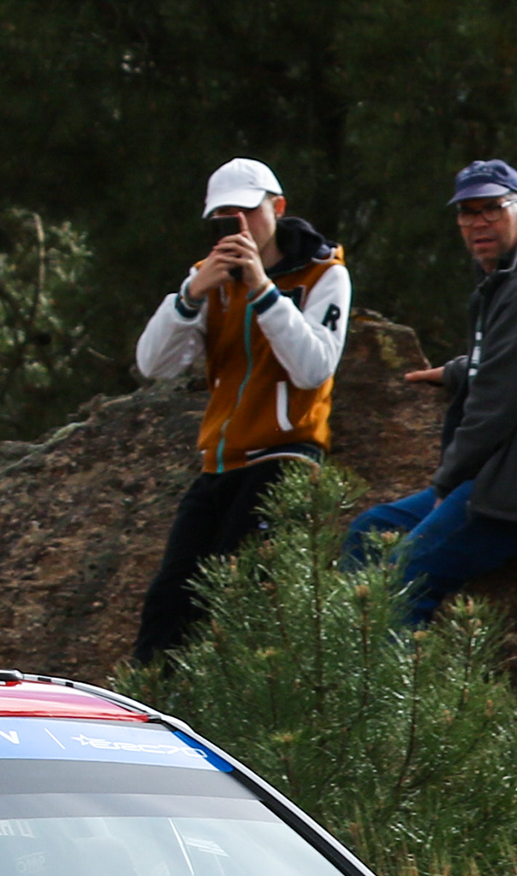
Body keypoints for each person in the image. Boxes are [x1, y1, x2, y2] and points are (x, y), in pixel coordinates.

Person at [347, 161, 517, 624]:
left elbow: (494, 408)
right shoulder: (507, 280)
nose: (478, 222)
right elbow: (509, 362)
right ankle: (347, 666)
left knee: (404, 578)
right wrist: (458, 372)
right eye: (467, 212)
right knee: (370, 530)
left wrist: (446, 485)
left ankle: (384, 695)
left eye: (492, 209)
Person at [127, 158, 353, 661]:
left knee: (242, 596)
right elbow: (153, 364)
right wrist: (190, 295)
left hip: (284, 458)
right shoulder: (210, 279)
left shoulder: (324, 274)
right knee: (169, 603)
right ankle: (151, 714)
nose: (239, 228)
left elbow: (314, 368)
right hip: (220, 460)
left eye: (247, 214)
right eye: (224, 219)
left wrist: (264, 292)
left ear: (277, 208)